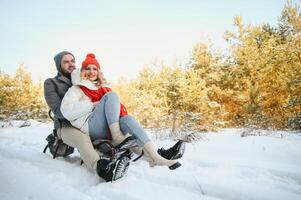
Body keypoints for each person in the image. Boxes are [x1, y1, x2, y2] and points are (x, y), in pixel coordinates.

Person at [60, 53, 183, 170]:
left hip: (105, 125)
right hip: (89, 126)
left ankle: (155, 157)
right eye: (88, 68)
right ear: (83, 71)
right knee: (112, 96)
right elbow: (66, 110)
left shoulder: (103, 88)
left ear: (98, 71)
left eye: (95, 69)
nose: (92, 72)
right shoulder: (76, 89)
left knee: (128, 119)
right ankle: (117, 137)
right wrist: (92, 105)